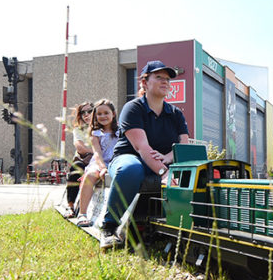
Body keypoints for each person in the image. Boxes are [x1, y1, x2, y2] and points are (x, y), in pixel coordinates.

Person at [100, 61, 189, 249]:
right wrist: (165, 173)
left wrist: (168, 157)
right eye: (159, 77)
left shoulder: (175, 114)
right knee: (131, 169)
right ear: (144, 82)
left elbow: (184, 144)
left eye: (167, 79)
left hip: (161, 160)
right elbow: (141, 147)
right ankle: (109, 227)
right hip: (129, 156)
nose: (165, 81)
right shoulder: (133, 108)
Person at [74, 99, 119, 226]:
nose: (103, 116)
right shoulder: (95, 133)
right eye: (99, 114)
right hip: (100, 162)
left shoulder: (120, 131)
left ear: (113, 114)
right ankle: (82, 214)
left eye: (106, 113)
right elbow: (97, 153)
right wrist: (103, 168)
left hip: (116, 161)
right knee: (90, 176)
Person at [65, 102, 94, 216]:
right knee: (76, 167)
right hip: (85, 160)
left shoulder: (103, 127)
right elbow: (80, 148)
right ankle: (70, 205)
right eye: (83, 112)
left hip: (102, 161)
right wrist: (95, 152)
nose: (86, 115)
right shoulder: (78, 130)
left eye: (89, 111)